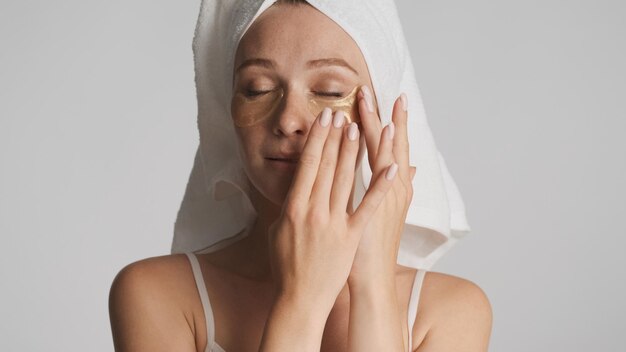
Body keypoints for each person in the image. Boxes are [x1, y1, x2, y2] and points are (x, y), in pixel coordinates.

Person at [109, 0, 492, 351]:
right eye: (257, 89)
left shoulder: (451, 312)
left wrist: (373, 288)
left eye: (329, 92)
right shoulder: (156, 295)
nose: (289, 121)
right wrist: (301, 300)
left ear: (382, 112)